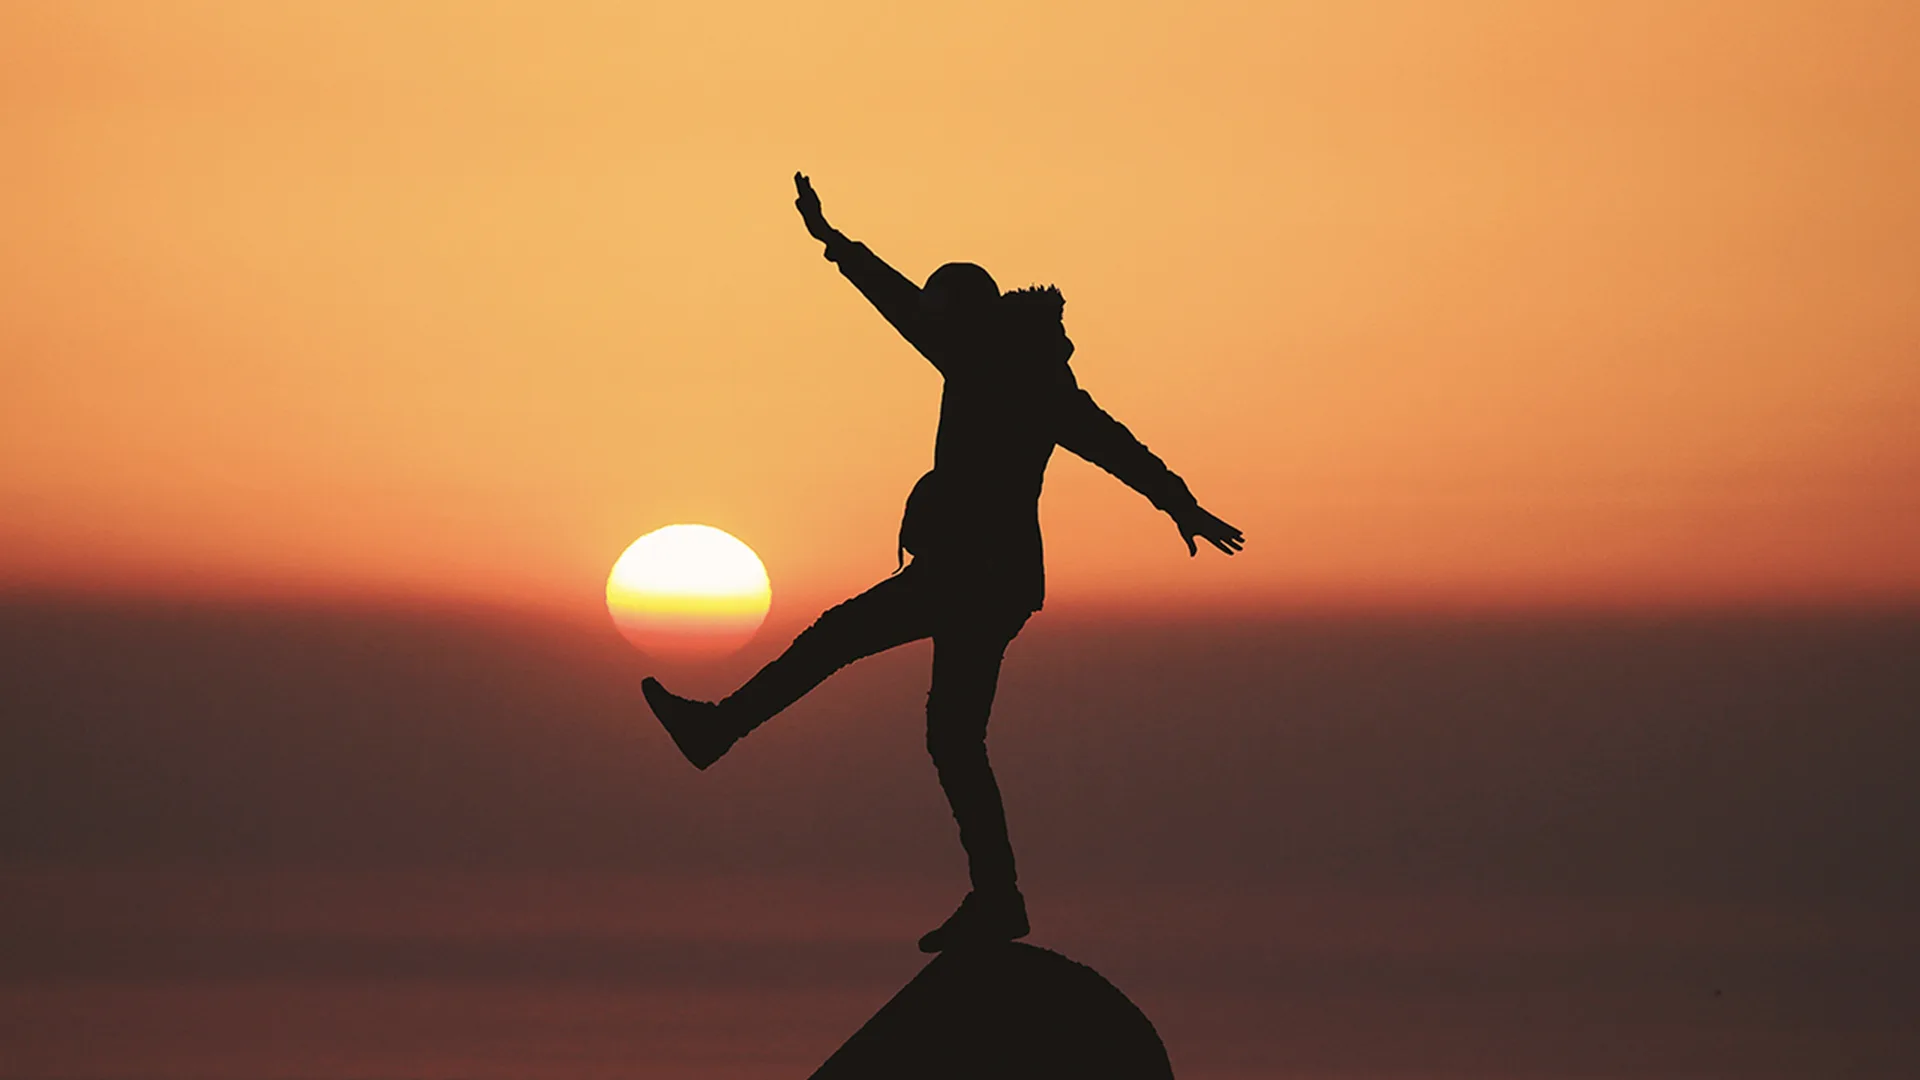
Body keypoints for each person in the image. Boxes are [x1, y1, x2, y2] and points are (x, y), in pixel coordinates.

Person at [642, 173, 1244, 952]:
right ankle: (997, 899)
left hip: (971, 576)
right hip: (993, 581)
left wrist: (837, 246)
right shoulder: (1021, 366)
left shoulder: (996, 363)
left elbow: (1111, 443)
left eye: (941, 322)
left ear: (962, 319)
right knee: (951, 736)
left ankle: (719, 732)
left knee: (842, 644)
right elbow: (1111, 440)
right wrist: (836, 244)